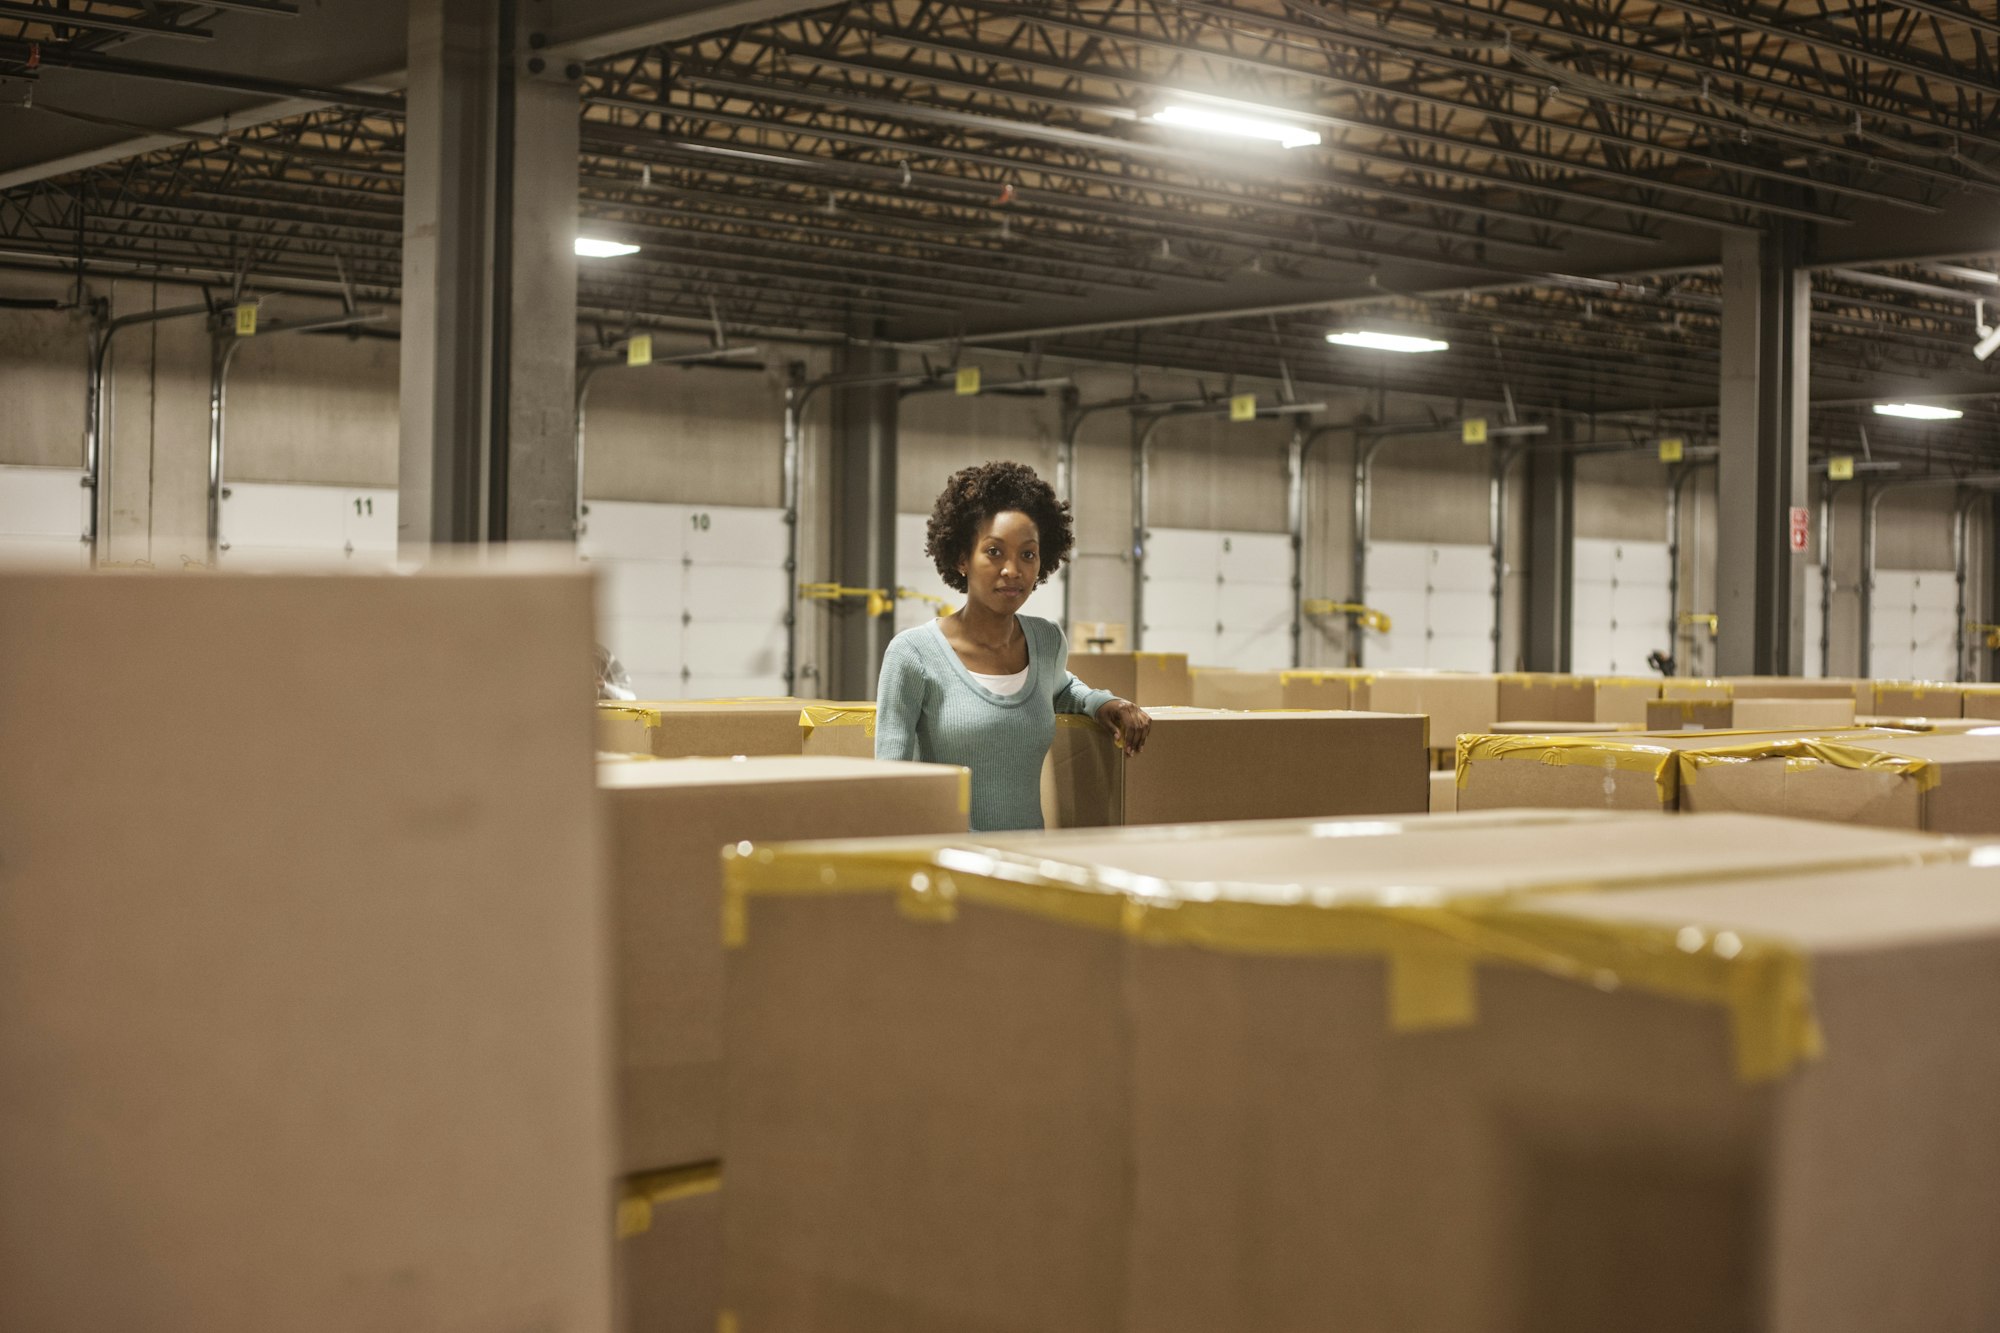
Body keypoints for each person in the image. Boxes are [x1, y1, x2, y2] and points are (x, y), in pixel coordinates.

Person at [876, 460, 1151, 832]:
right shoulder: (913, 654)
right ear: (962, 558)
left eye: (1027, 554)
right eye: (994, 552)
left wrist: (1104, 703)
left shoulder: (1045, 641)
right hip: (953, 865)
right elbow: (890, 785)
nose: (1012, 570)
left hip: (1028, 867)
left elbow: (1061, 687)